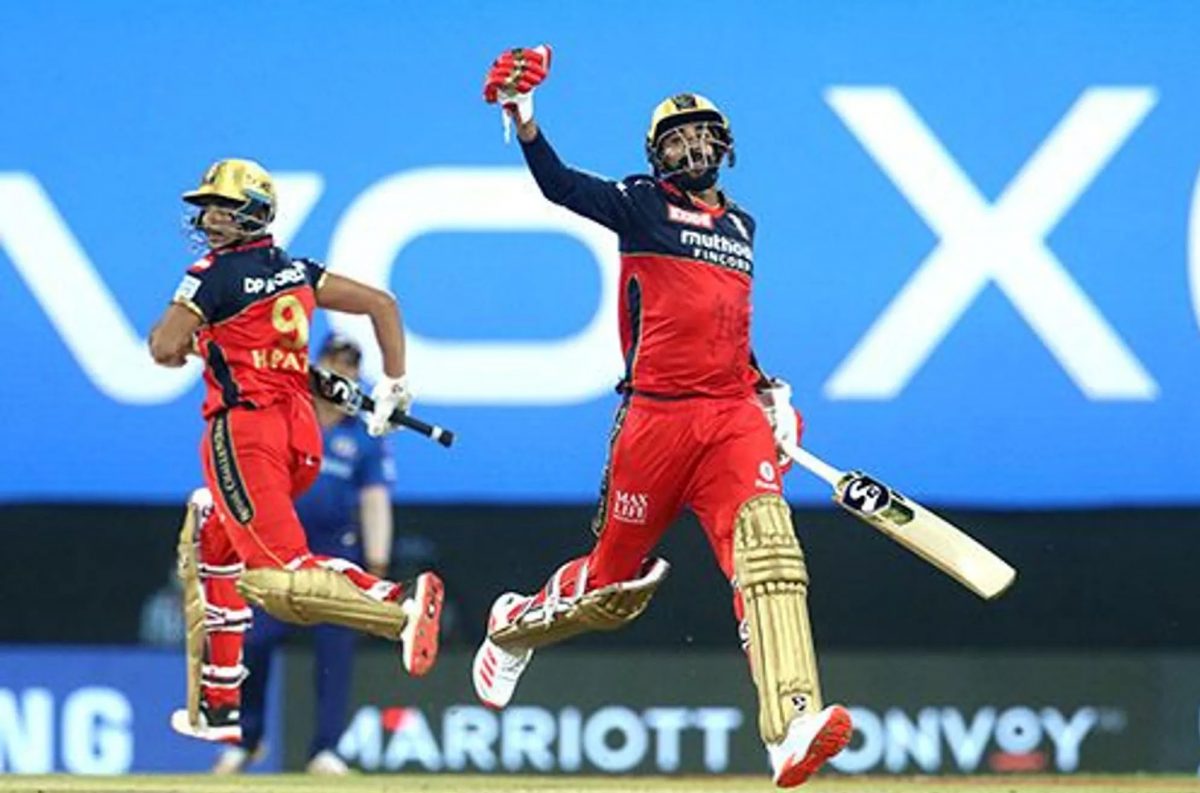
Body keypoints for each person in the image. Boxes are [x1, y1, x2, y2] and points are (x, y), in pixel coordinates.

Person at [475, 47, 852, 788]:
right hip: (655, 421)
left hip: (729, 421)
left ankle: (791, 723)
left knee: (769, 553)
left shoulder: (742, 225)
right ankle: (511, 626)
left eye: (703, 136)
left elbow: (727, 328)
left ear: (725, 146)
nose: (693, 148)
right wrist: (521, 116)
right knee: (611, 588)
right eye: (677, 139)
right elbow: (558, 185)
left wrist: (768, 391)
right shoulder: (641, 203)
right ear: (657, 153)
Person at [149, 158, 444, 744]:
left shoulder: (210, 275)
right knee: (211, 529)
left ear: (253, 214)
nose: (209, 219)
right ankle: (220, 704)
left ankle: (400, 609)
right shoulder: (297, 270)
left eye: (222, 208)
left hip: (247, 433)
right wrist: (393, 383)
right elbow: (383, 303)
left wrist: (193, 347)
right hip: (300, 437)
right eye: (206, 207)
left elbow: (163, 345)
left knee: (277, 581)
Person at [212, 334, 395, 774]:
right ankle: (247, 739)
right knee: (255, 640)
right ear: (317, 367)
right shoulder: (287, 415)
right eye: (335, 364)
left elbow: (374, 499)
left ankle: (326, 749)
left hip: (336, 552)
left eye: (351, 367)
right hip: (280, 549)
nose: (342, 374)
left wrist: (378, 564)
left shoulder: (364, 437)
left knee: (334, 651)